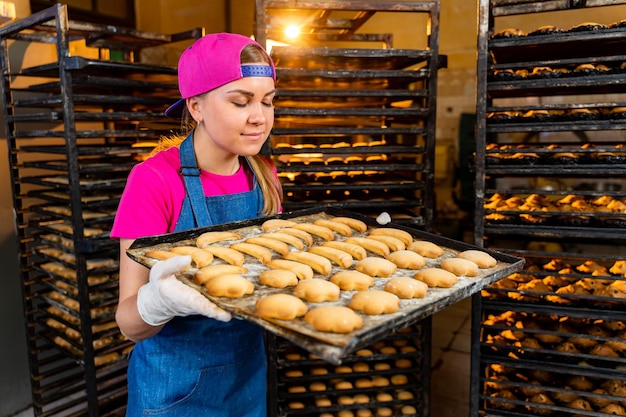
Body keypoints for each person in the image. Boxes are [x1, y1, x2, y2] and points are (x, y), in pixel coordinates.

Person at [111, 32, 282, 416]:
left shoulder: (264, 175)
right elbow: (128, 323)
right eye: (241, 101)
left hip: (247, 378)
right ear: (197, 106)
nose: (260, 117)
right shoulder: (154, 180)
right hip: (175, 390)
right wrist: (159, 302)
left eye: (268, 102)